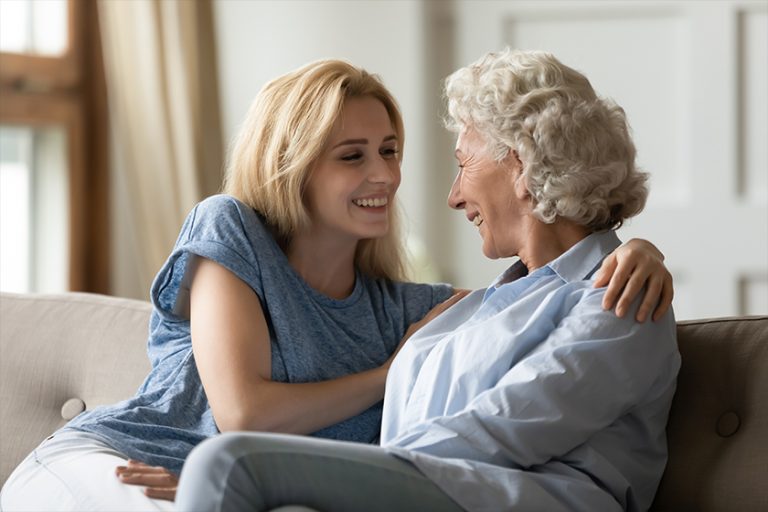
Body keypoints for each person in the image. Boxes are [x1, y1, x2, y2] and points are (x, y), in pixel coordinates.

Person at [1, 58, 670, 512]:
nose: (388, 176)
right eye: (352, 156)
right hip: (119, 462)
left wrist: (638, 246)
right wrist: (387, 371)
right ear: (292, 165)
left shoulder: (428, 315)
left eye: (390, 151)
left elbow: (548, 295)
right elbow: (241, 416)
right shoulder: (230, 231)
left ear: (520, 169)